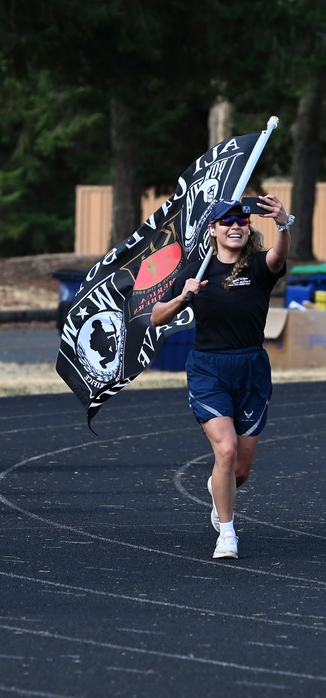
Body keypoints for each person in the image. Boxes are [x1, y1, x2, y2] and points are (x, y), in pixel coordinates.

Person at [150, 195, 293, 560]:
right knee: (226, 450)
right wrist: (183, 297)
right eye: (226, 222)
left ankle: (219, 488)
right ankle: (227, 534)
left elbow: (278, 257)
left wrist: (282, 224)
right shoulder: (196, 272)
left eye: (241, 222)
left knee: (238, 470)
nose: (235, 227)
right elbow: (156, 318)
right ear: (212, 230)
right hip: (208, 369)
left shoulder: (260, 268)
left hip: (251, 369)